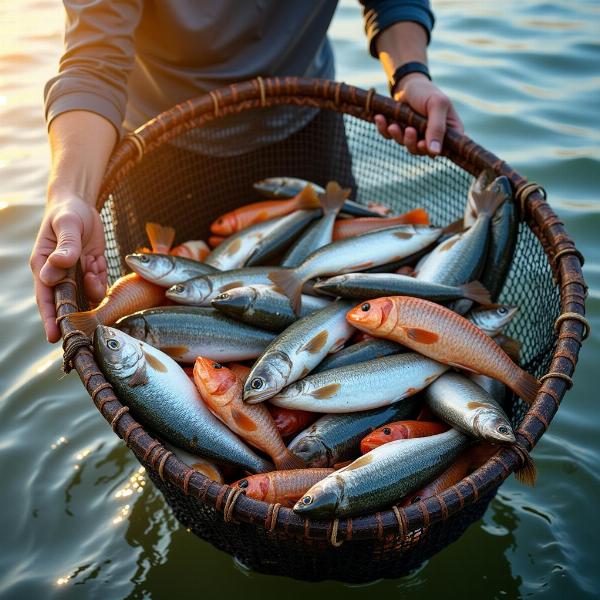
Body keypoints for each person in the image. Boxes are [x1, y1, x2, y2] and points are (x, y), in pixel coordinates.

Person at [31, 1, 463, 343]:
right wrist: (70, 194)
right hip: (160, 151)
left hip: (306, 124)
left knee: (335, 291)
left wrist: (409, 72)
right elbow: (94, 61)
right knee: (155, 333)